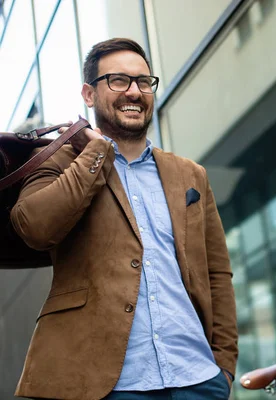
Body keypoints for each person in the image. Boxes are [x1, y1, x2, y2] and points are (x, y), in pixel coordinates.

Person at [10, 38, 238, 400]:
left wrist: (223, 365)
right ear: (89, 93)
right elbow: (34, 227)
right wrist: (97, 152)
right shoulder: (59, 160)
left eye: (143, 82)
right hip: (102, 384)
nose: (134, 91)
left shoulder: (190, 175)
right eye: (118, 80)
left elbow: (217, 273)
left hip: (197, 379)